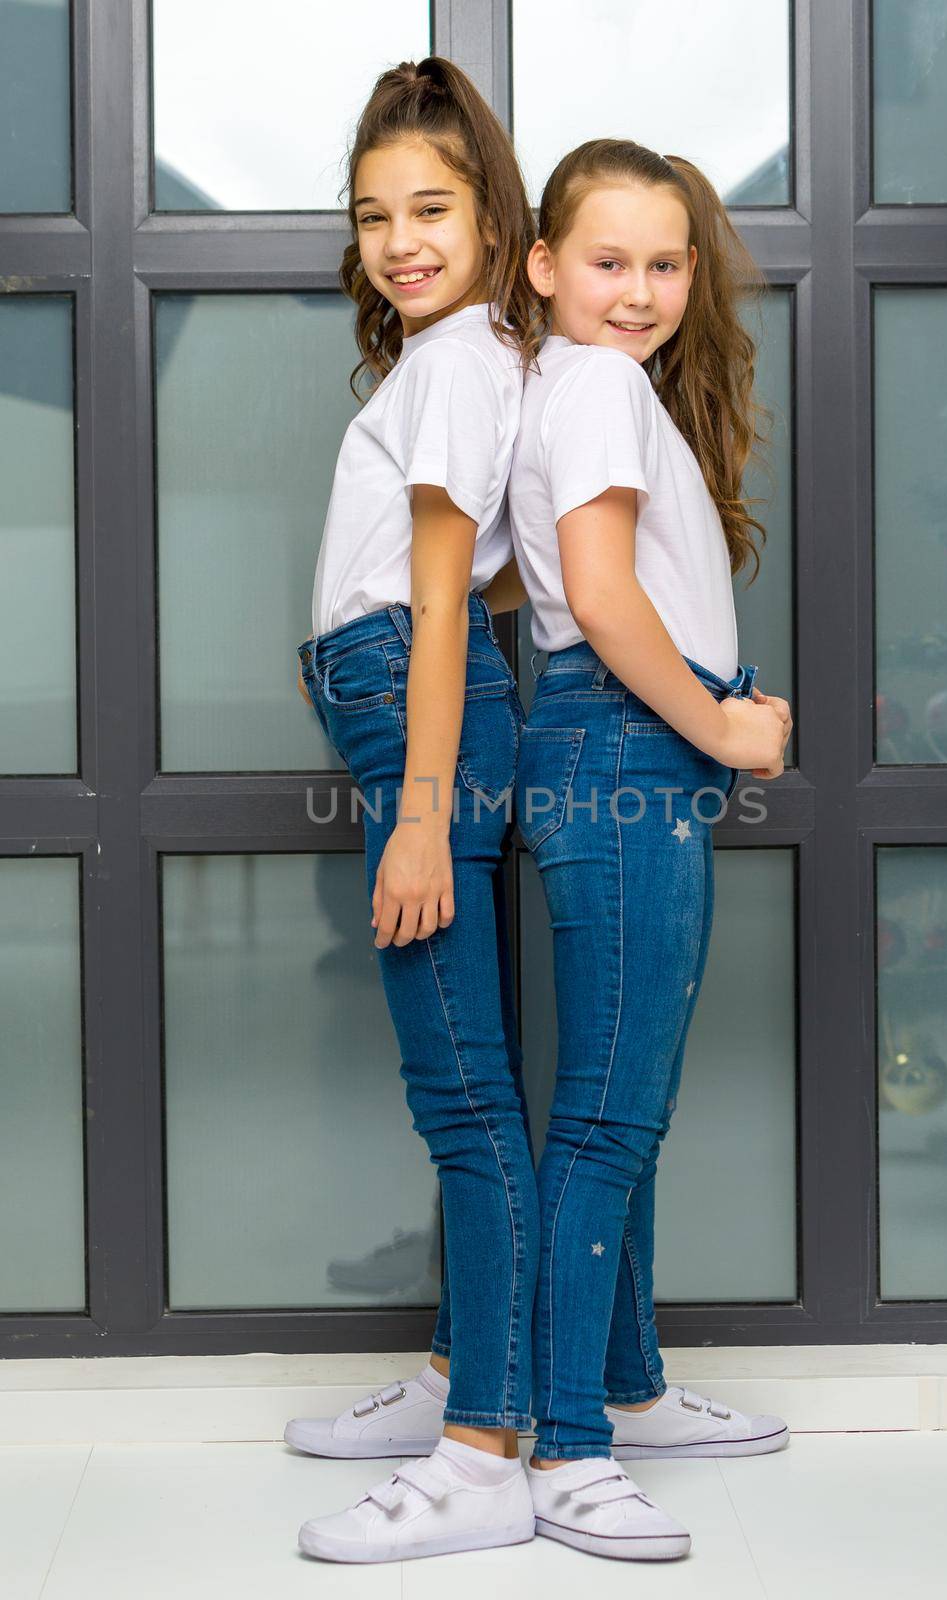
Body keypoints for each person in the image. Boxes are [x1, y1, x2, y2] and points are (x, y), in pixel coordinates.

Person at [503, 138, 794, 1561]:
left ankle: (623, 1384)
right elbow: (606, 602)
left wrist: (717, 709)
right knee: (614, 1115)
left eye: (663, 263)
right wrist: (723, 724)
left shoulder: (580, 389)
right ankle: (565, 1446)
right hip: (626, 741)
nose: (635, 292)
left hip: (618, 743)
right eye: (604, 261)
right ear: (544, 266)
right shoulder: (602, 386)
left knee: (625, 1098)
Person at [290, 57, 542, 1564]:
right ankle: (465, 1375)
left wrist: (421, 813)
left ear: (495, 222)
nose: (399, 241)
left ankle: (481, 1455)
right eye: (374, 214)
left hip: (413, 717)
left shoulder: (454, 361)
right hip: (397, 702)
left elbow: (445, 608)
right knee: (466, 1079)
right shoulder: (453, 360)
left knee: (461, 1095)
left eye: (431, 208)